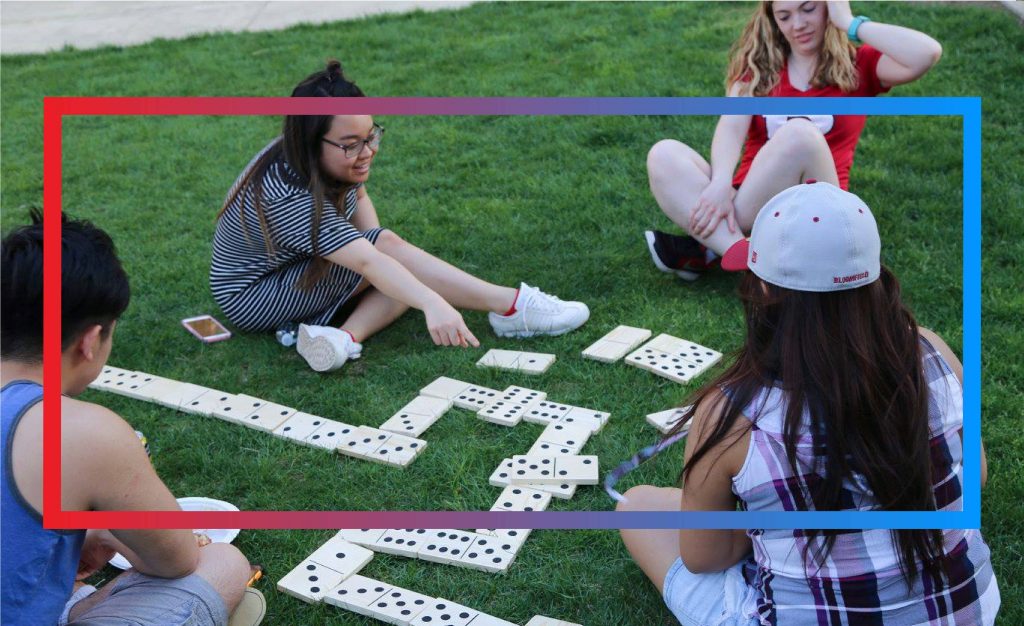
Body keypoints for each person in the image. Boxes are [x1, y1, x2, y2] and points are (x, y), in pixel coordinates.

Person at [618, 182, 999, 625]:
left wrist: (780, 523)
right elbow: (976, 476)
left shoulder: (732, 413)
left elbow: (704, 555)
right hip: (965, 614)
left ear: (763, 291)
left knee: (639, 506)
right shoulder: (932, 350)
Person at [211, 60, 590, 372]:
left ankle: (342, 339)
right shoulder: (287, 194)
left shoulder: (308, 154)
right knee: (394, 266)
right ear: (312, 143)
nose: (368, 151)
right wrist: (429, 299)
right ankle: (510, 307)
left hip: (293, 269)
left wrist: (382, 259)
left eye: (371, 134)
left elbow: (359, 201)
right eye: (350, 145)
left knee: (394, 267)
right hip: (255, 295)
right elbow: (366, 256)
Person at [1, 211, 258, 626]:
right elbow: (176, 560)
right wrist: (107, 528)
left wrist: (89, 533)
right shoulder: (84, 432)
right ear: (90, 341)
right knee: (224, 563)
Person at [644, 0, 942, 280]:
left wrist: (848, 22)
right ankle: (745, 257)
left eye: (808, 9)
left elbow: (926, 53)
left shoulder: (857, 65)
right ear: (773, 21)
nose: (798, 24)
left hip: (820, 211)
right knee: (664, 154)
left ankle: (711, 247)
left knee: (799, 132)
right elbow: (731, 127)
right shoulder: (759, 68)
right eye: (784, 16)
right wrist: (721, 181)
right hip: (750, 205)